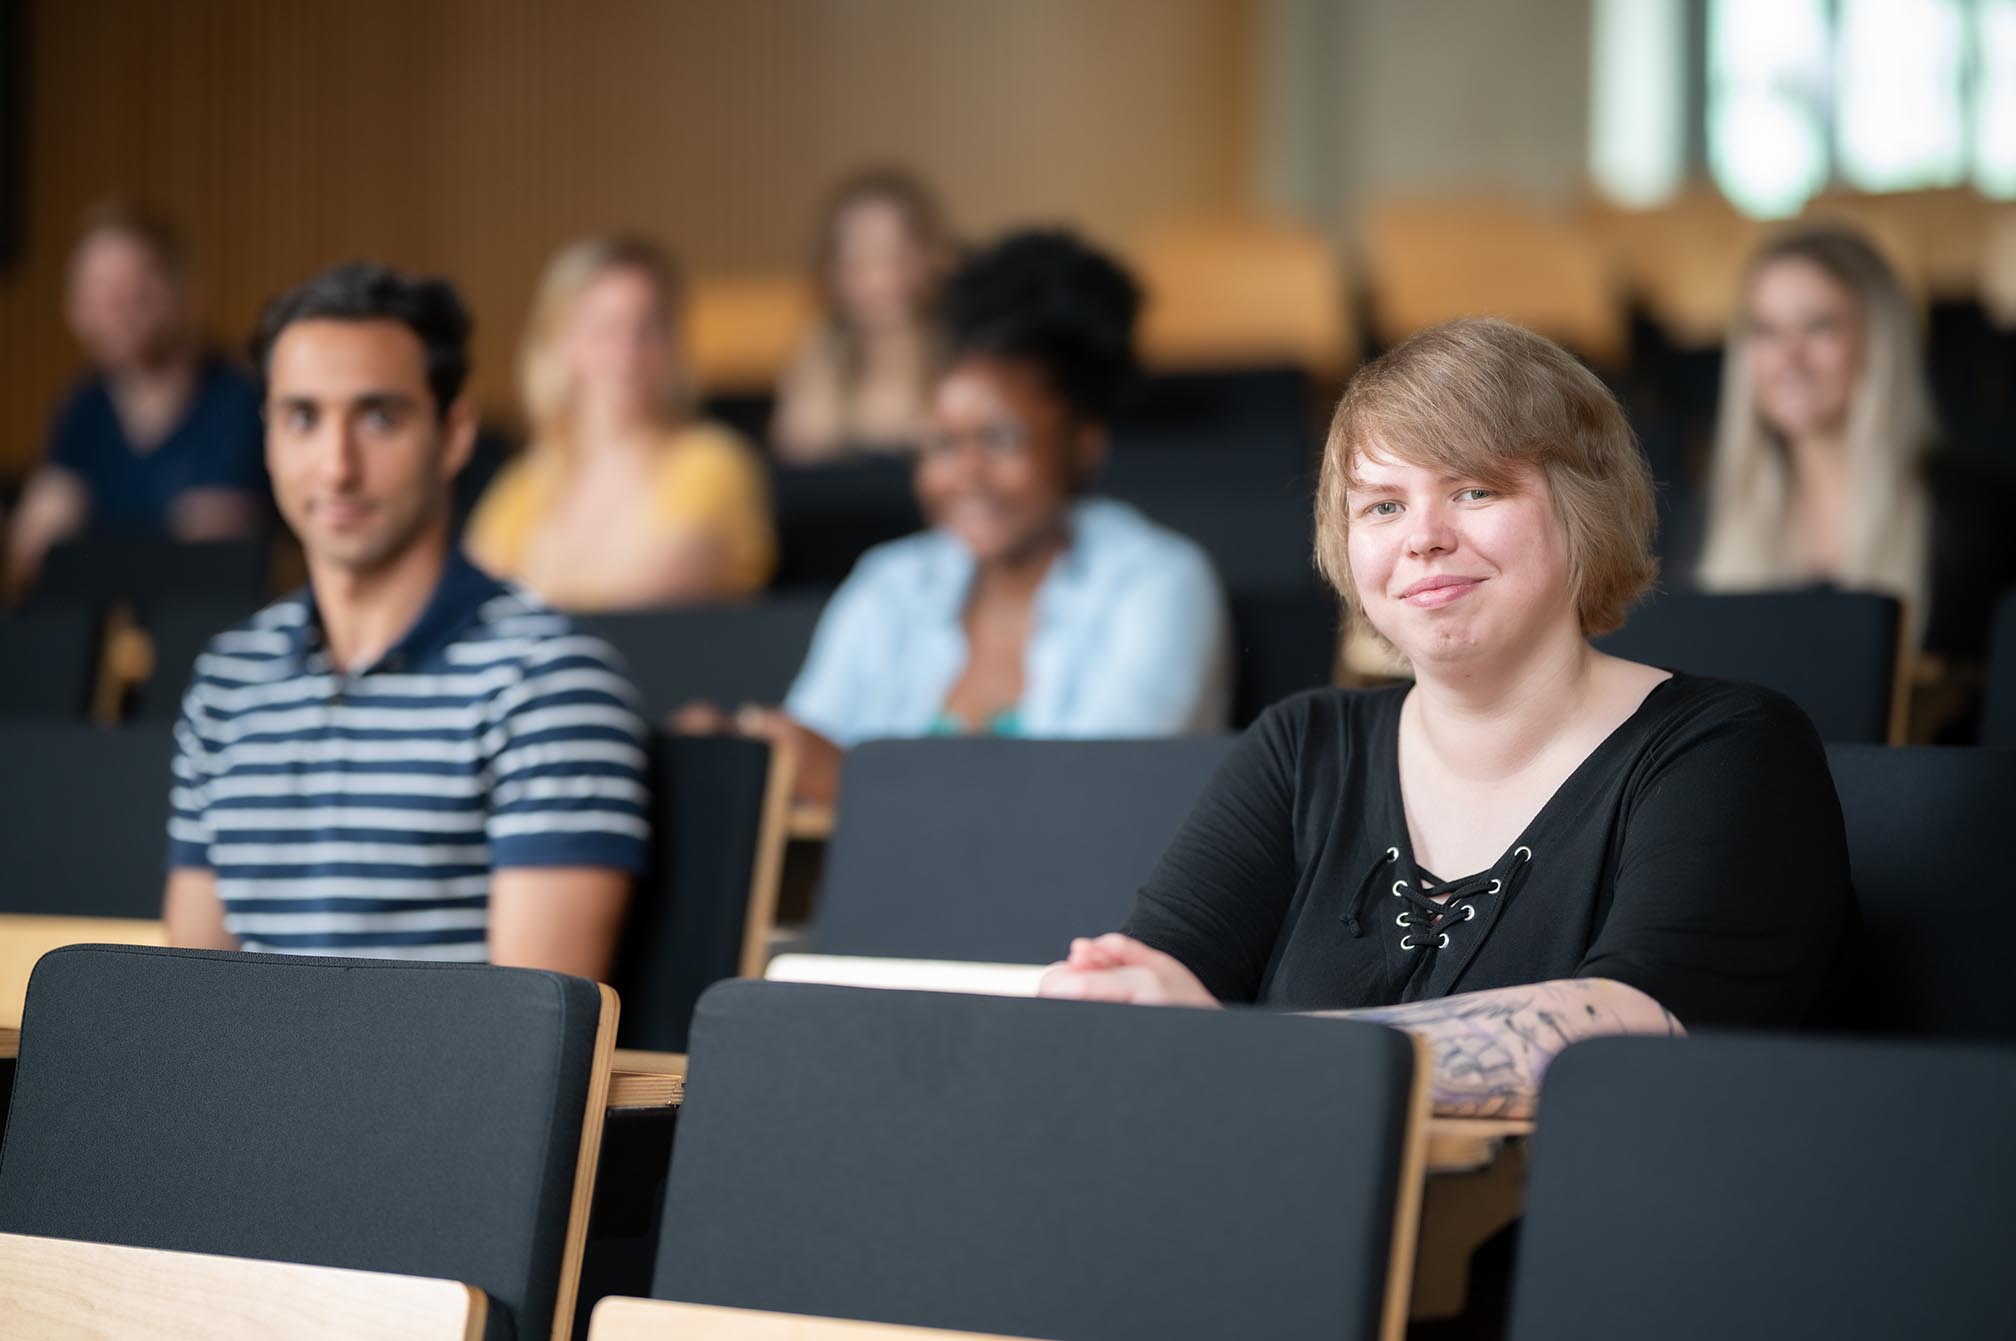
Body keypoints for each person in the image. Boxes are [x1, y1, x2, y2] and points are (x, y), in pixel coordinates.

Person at [1038, 318, 1855, 1119]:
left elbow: (1620, 1038)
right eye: (1383, 505)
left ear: (1583, 509)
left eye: (1473, 490)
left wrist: (1237, 1051)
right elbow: (1147, 1006)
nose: (1424, 538)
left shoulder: (1730, 747)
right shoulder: (1302, 747)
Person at [163, 262, 650, 977]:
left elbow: (531, 1048)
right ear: (267, 436)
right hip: (239, 1086)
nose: (336, 467)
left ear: (453, 435)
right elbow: (186, 999)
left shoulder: (549, 681)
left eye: (379, 417)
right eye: (303, 417)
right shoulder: (227, 679)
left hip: (439, 1091)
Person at [684, 230, 1231, 803]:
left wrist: (853, 782)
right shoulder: (890, 582)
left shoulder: (1158, 581)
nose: (965, 474)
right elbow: (808, 745)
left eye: (1000, 439)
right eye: (942, 445)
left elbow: (1100, 798)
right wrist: (742, 750)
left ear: (1084, 446)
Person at [1691, 226, 2016, 658]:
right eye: (1766, 330)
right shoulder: (1711, 518)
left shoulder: (1974, 517)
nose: (1789, 358)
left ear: (1879, 341)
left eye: (1818, 326)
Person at [465, 235, 775, 609]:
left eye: (647, 328)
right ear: (559, 342)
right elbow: (466, 609)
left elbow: (642, 606)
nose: (626, 352)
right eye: (604, 328)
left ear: (672, 343)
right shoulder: (523, 485)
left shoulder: (713, 462)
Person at [5, 201, 265, 591]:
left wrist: (74, 551)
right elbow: (33, 550)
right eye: (96, 290)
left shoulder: (239, 401)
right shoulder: (83, 406)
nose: (115, 307)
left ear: (183, 289)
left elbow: (207, 564)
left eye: (135, 286)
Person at [770, 170, 953, 462]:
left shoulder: (963, 361)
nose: (879, 280)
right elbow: (801, 469)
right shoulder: (816, 359)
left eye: (897, 255)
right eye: (858, 259)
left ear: (932, 257)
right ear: (831, 272)